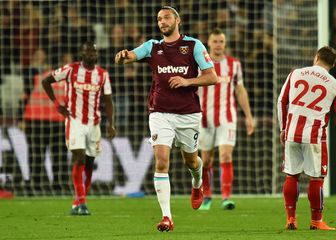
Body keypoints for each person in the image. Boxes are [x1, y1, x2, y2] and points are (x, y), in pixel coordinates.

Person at [115, 6, 217, 232]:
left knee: (191, 161)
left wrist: (187, 81)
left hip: (188, 113)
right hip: (160, 113)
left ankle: (198, 182)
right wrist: (124, 56)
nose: (162, 22)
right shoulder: (153, 46)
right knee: (161, 162)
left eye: (167, 17)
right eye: (159, 19)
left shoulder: (193, 46)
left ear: (177, 20)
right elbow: (131, 55)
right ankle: (167, 217)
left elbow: (213, 77)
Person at [42, 42, 116, 215]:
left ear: (97, 55)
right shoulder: (71, 69)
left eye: (94, 51)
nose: (91, 54)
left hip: (94, 124)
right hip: (75, 121)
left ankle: (78, 201)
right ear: (82, 54)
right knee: (80, 157)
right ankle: (82, 202)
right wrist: (56, 104)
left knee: (90, 162)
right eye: (87, 51)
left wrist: (111, 123)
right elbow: (46, 81)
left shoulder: (102, 74)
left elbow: (108, 100)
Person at [277, 46, 336, 230]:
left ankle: (291, 220)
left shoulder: (296, 73)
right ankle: (316, 221)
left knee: (291, 175)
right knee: (316, 178)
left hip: (292, 132)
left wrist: (283, 129)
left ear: (316, 57)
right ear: (333, 64)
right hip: (314, 135)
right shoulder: (333, 83)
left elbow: (282, 101)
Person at [198, 28, 254, 210]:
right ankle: (207, 196)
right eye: (215, 41)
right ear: (209, 43)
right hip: (204, 118)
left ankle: (226, 197)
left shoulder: (234, 64)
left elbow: (240, 90)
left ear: (225, 43)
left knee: (226, 155)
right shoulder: (200, 65)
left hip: (227, 117)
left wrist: (248, 116)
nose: (218, 45)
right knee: (205, 161)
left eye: (221, 41)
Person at [23, 49, 69, 195]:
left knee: (37, 155)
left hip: (37, 121)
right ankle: (58, 186)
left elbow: (26, 97)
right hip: (51, 121)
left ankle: (35, 186)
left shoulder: (39, 77)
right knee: (57, 156)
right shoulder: (68, 80)